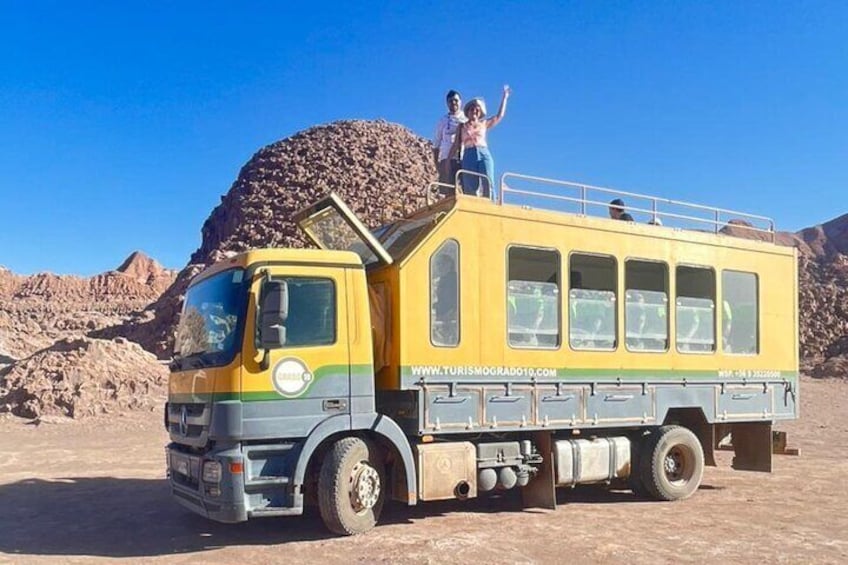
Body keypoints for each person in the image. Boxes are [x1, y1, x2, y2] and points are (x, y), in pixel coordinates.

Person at [450, 85, 511, 198]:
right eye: (472, 109)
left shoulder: (484, 123)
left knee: (488, 181)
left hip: (483, 152)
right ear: (467, 112)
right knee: (470, 185)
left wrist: (505, 98)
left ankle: (490, 205)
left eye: (477, 110)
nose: (474, 111)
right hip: (468, 154)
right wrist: (448, 160)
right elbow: (456, 145)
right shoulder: (462, 126)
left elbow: (499, 116)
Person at [433, 90, 467, 187]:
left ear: (460, 101)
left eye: (456, 100)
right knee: (448, 190)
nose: (453, 103)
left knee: (467, 188)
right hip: (446, 158)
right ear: (447, 103)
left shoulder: (466, 118)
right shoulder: (443, 120)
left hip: (463, 158)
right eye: (450, 101)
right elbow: (436, 142)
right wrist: (436, 162)